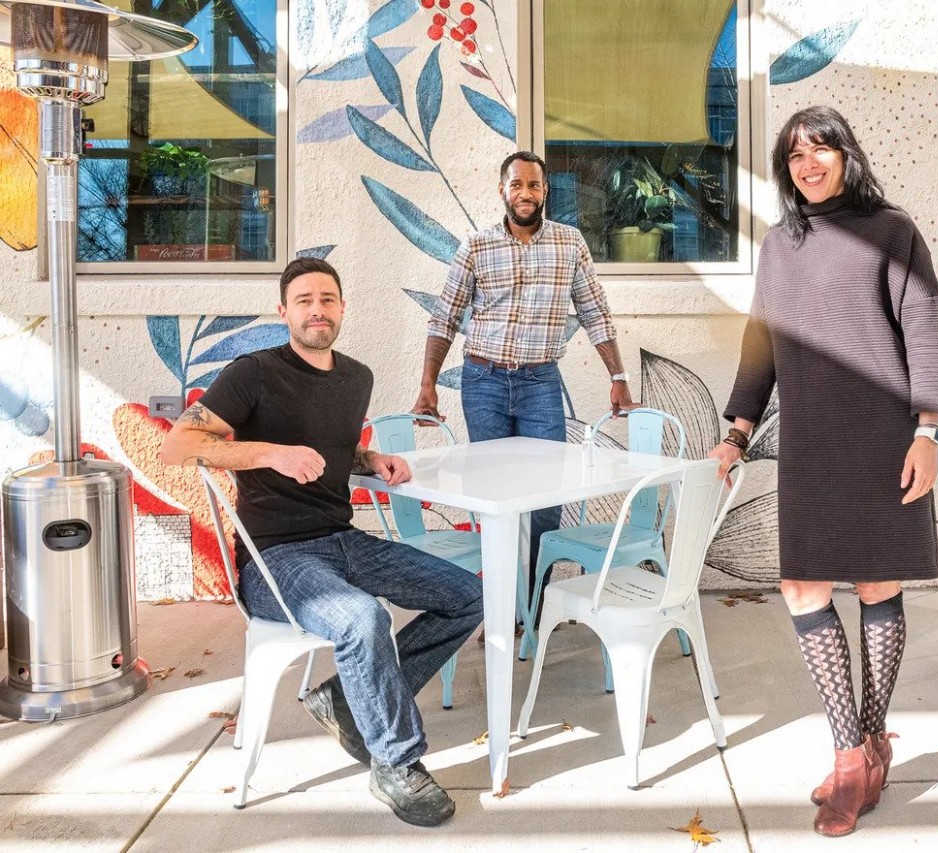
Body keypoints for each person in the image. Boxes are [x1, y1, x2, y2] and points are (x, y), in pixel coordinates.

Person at [159, 257, 484, 828]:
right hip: (275, 558)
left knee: (468, 595)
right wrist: (266, 453)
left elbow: (334, 447)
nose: (317, 309)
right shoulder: (253, 371)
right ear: (284, 311)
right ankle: (396, 763)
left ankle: (345, 700)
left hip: (343, 538)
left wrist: (371, 458)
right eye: (304, 299)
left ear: (341, 309)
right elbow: (177, 446)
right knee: (362, 619)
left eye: (327, 299)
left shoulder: (356, 377)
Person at [710, 106, 938, 838]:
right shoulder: (781, 245)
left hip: (884, 438)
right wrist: (737, 430)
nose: (807, 164)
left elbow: (927, 325)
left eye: (820, 149)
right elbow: (761, 344)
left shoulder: (891, 229)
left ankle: (866, 749)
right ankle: (853, 750)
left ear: (847, 153)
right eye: (793, 156)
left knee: (878, 582)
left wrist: (927, 431)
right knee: (801, 586)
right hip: (811, 443)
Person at [411, 150, 634, 618]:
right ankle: (499, 602)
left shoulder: (570, 244)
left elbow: (596, 314)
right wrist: (428, 384)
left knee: (546, 497)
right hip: (483, 382)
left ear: (545, 190)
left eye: (533, 185)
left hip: (540, 385)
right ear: (502, 190)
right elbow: (445, 317)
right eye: (517, 185)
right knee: (494, 494)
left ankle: (530, 605)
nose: (525, 194)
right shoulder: (476, 247)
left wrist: (617, 376)